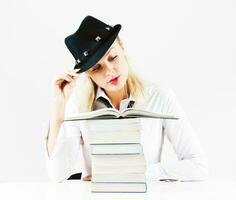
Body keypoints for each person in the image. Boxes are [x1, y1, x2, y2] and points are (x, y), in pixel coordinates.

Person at [43, 15, 209, 182]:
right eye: (96, 68)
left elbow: (198, 166)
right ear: (88, 74)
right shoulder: (78, 105)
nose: (109, 71)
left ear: (121, 47)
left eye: (113, 57)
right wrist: (57, 113)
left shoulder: (160, 97)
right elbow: (58, 175)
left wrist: (139, 173)